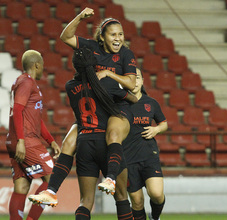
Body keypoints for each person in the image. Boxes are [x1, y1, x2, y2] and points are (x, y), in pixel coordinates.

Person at [33, 48, 134, 220]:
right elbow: (132, 98)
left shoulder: (70, 87)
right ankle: (110, 179)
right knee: (122, 197)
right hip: (107, 142)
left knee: (85, 201)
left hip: (84, 143)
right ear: (96, 64)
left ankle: (52, 191)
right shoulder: (107, 83)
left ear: (74, 66)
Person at [60, 8, 136, 193]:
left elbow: (131, 83)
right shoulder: (91, 47)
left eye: (121, 34)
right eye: (113, 35)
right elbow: (65, 37)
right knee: (68, 142)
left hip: (116, 107)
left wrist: (109, 73)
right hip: (95, 108)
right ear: (102, 37)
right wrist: (79, 17)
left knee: (112, 135)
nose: (118, 38)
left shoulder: (126, 54)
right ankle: (52, 191)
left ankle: (110, 178)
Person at [5, 49, 61, 220]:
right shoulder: (27, 83)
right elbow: (18, 110)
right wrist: (21, 140)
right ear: (37, 65)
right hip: (26, 140)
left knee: (21, 187)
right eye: (42, 64)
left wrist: (50, 140)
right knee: (53, 180)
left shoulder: (23, 82)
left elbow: (35, 118)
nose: (43, 68)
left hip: (17, 140)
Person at [123, 68, 167, 220]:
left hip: (149, 156)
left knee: (156, 194)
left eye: (138, 78)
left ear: (142, 81)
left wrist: (156, 129)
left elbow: (164, 124)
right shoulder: (119, 104)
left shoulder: (151, 103)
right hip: (127, 158)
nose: (134, 81)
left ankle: (155, 217)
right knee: (137, 202)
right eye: (130, 78)